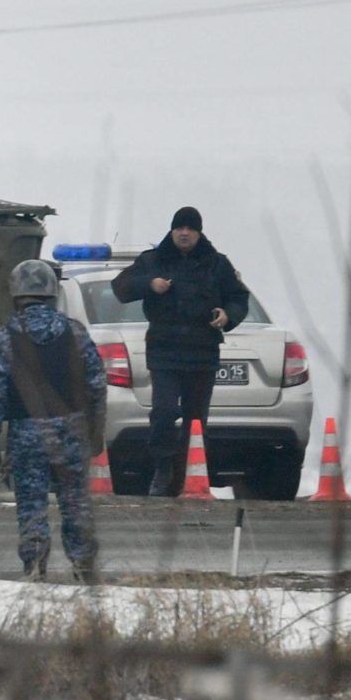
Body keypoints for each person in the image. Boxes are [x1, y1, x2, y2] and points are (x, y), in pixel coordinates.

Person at [0, 258, 106, 582]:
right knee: (75, 503)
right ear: (52, 294)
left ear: (15, 296)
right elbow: (95, 385)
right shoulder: (75, 333)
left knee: (31, 506)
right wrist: (95, 433)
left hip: (26, 434)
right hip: (71, 431)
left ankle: (35, 568)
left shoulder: (4, 338)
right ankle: (82, 568)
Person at [110, 206, 251, 495]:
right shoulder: (153, 260)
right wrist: (149, 284)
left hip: (203, 351)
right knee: (162, 413)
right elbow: (121, 287)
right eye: (179, 228)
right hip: (164, 350)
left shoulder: (217, 264)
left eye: (190, 229)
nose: (184, 233)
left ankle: (189, 476)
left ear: (199, 233)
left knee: (196, 420)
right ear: (172, 231)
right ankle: (163, 468)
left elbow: (239, 297)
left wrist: (228, 315)